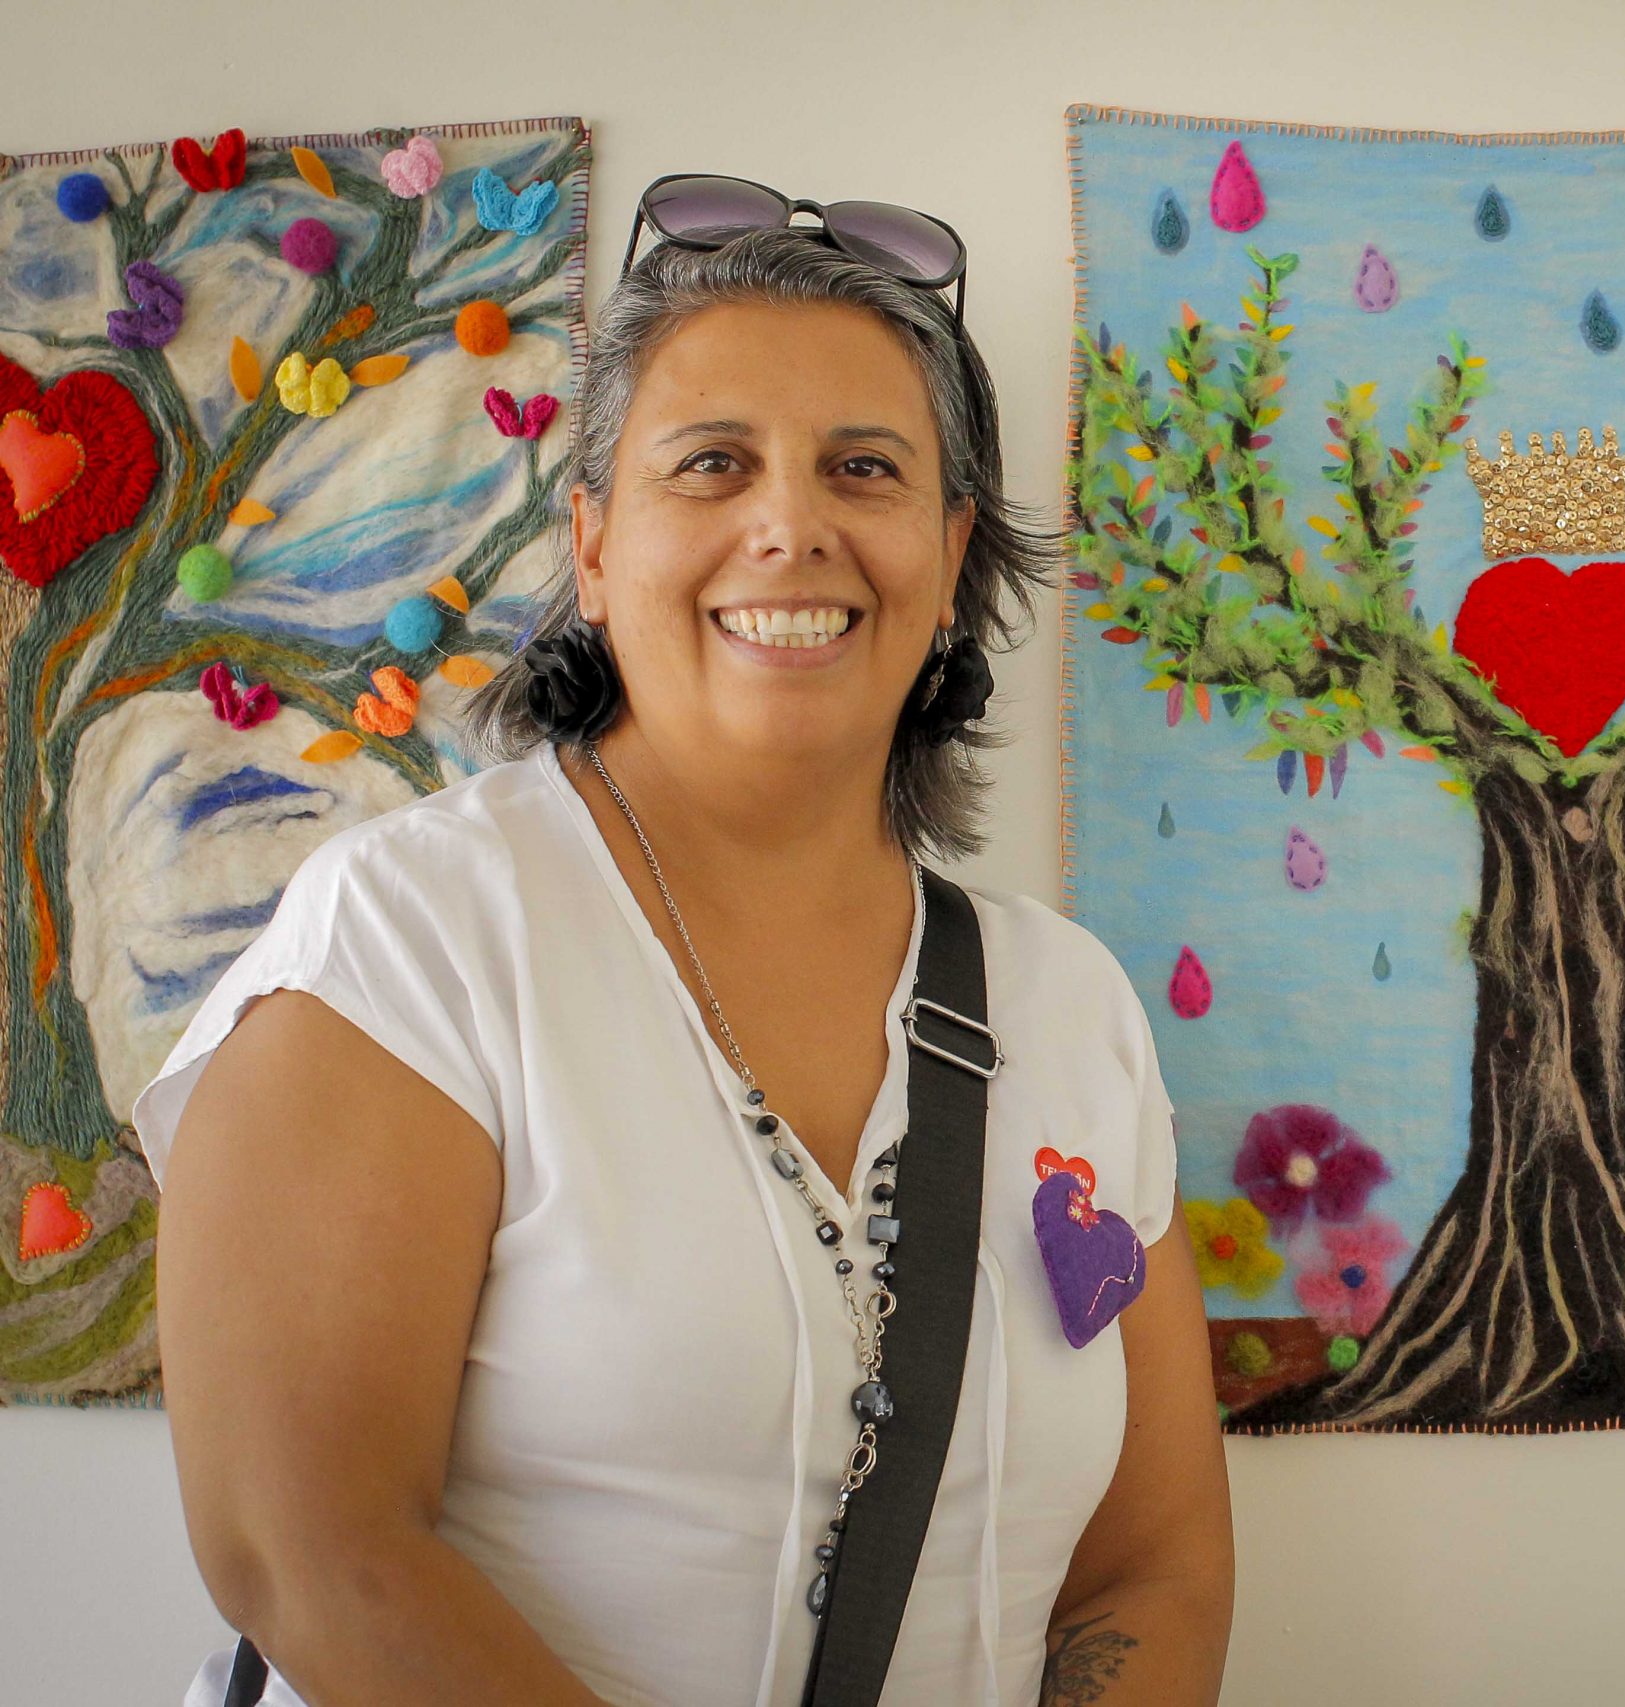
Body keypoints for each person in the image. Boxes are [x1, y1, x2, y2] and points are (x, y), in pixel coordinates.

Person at [129, 192, 1233, 1706]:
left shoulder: (1074, 1007)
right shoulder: (414, 935)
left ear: (950, 547)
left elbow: (1150, 1567)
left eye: (867, 468)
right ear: (591, 542)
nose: (793, 524)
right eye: (712, 463)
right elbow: (311, 1549)